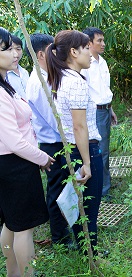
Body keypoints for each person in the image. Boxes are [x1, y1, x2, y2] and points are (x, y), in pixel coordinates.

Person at [0, 27, 53, 277]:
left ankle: (13, 273)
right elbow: (14, 141)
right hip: (15, 165)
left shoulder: (6, 85)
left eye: (15, 48)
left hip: (15, 163)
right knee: (23, 229)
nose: (15, 54)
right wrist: (42, 158)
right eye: (7, 49)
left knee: (11, 226)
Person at [46, 30, 103, 255]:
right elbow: (80, 126)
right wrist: (87, 163)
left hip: (71, 148)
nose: (90, 53)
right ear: (73, 52)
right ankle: (91, 255)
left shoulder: (62, 77)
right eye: (86, 48)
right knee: (89, 207)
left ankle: (85, 250)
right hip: (84, 149)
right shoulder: (75, 82)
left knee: (81, 205)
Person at [25, 33, 73, 246]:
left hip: (58, 141)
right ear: (41, 54)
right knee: (56, 191)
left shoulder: (46, 75)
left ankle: (64, 231)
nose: (57, 54)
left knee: (63, 188)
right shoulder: (39, 82)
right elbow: (56, 121)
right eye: (53, 50)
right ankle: (60, 238)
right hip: (53, 144)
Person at [81, 27, 117, 199]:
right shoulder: (84, 64)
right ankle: (102, 192)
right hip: (93, 113)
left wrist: (110, 108)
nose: (103, 44)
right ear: (89, 43)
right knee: (99, 151)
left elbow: (104, 89)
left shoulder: (102, 61)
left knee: (104, 150)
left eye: (103, 40)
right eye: (99, 41)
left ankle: (103, 187)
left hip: (104, 109)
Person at [6, 34, 30, 99]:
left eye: (18, 49)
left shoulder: (24, 72)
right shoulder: (4, 76)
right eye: (10, 49)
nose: (16, 54)